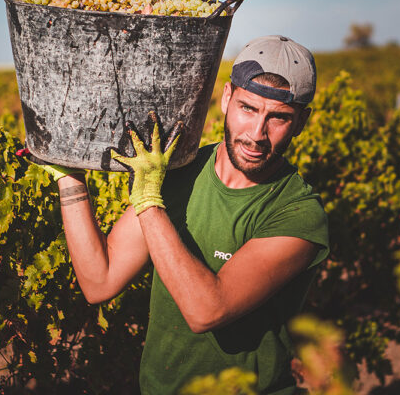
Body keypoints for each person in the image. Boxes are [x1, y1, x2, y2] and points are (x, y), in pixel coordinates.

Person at [28, 35, 329, 394]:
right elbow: (100, 281)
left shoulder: (297, 213)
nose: (256, 134)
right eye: (248, 108)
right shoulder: (181, 171)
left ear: (301, 122)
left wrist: (150, 201)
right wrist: (71, 180)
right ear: (227, 98)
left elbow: (206, 311)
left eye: (278, 117)